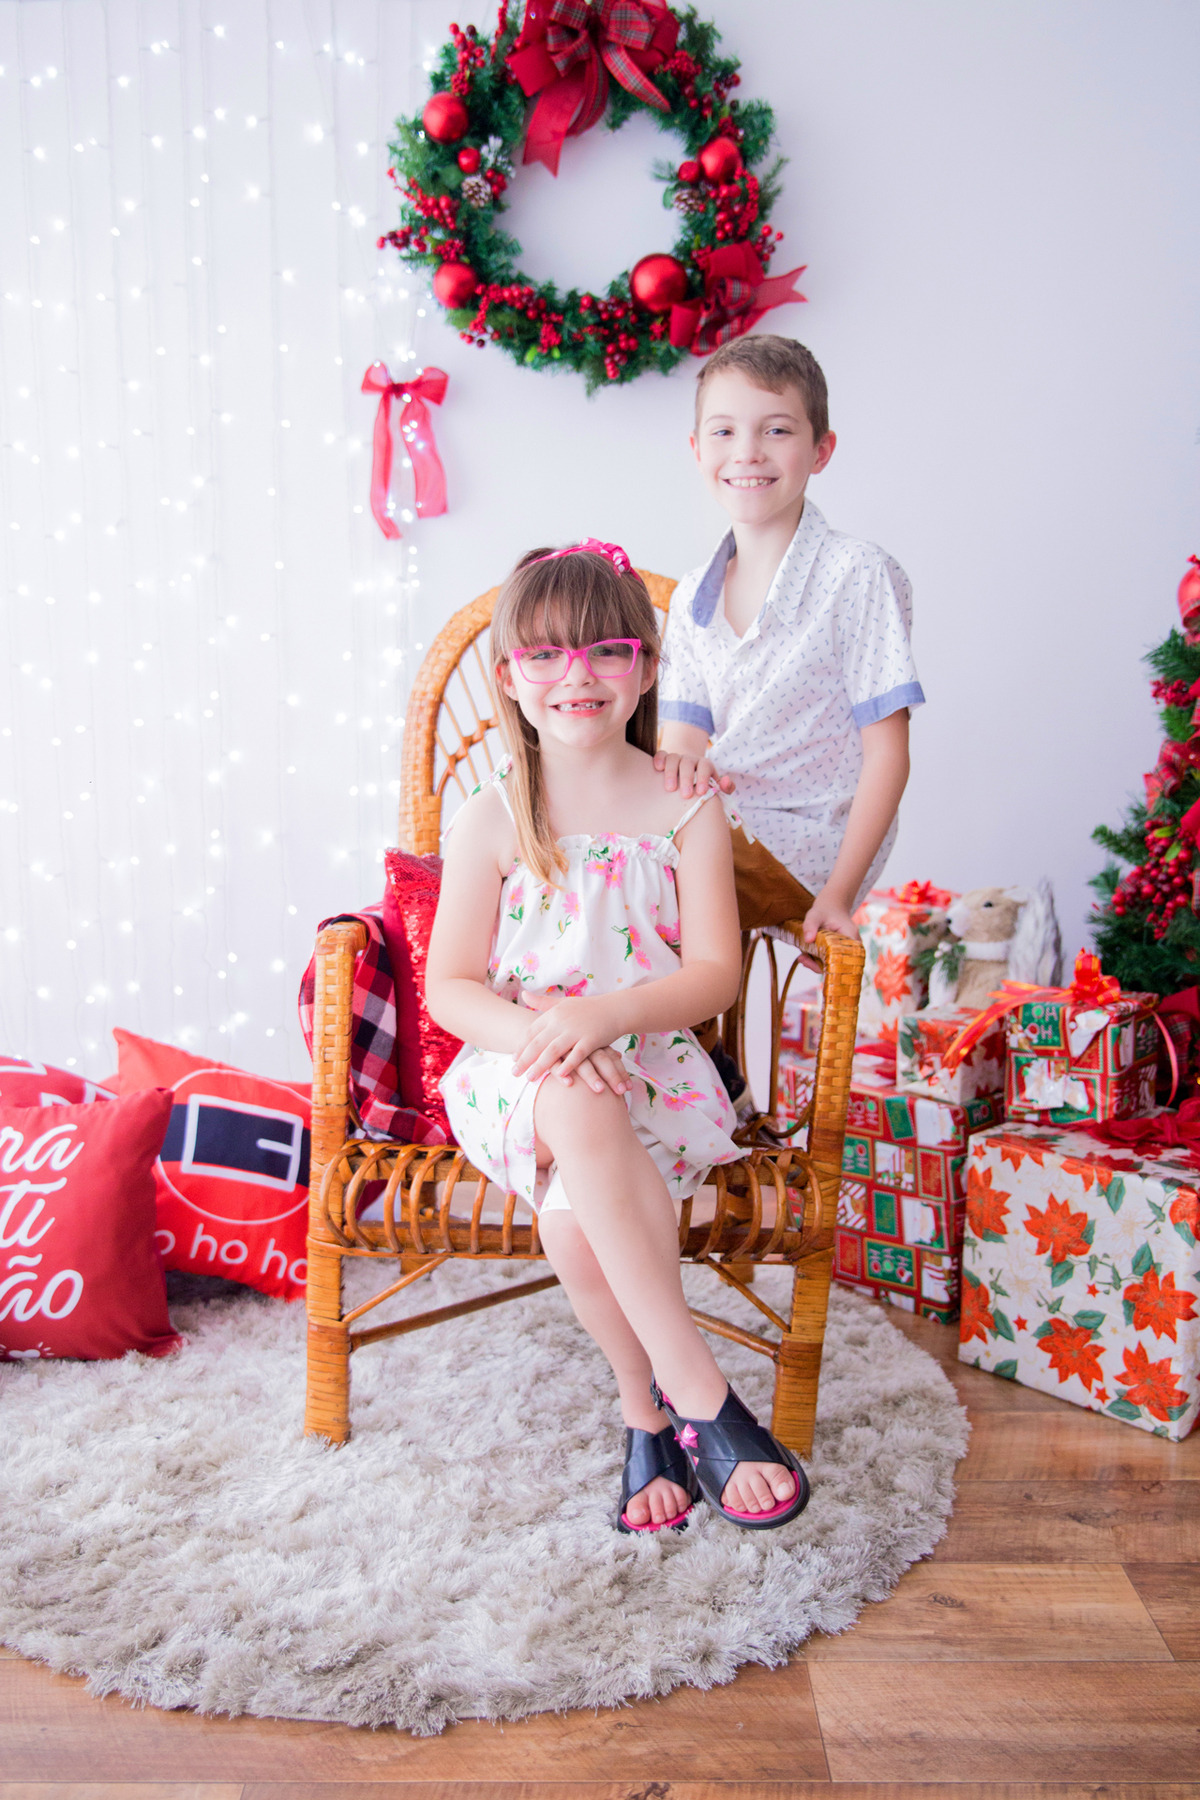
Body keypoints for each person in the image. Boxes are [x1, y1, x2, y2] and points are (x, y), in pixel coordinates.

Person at [425, 541, 808, 1535]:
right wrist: (553, 1032)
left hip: (650, 1063)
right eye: (546, 658)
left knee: (569, 1221)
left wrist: (604, 1017)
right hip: (514, 1068)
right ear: (509, 679)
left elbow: (714, 975)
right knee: (573, 1089)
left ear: (644, 669)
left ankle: (644, 1418)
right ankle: (706, 1399)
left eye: (605, 653)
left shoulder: (685, 802)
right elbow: (451, 988)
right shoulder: (493, 818)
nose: (577, 677)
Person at [656, 334, 923, 948]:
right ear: (697, 450)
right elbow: (680, 748)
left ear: (820, 449)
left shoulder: (857, 573)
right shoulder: (693, 595)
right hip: (716, 829)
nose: (746, 453)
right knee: (591, 867)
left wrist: (839, 892)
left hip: (811, 845)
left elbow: (887, 754)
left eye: (776, 431)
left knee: (625, 891)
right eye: (723, 433)